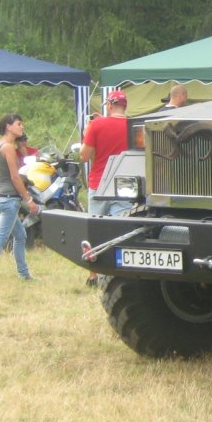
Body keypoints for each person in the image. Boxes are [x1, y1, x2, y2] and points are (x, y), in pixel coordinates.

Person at [0, 114, 38, 286]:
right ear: (9, 127)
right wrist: (28, 199)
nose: (22, 127)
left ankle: (24, 273)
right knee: (0, 238)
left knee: (20, 235)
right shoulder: (8, 148)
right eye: (19, 124)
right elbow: (15, 177)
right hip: (9, 200)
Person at [81, 89, 131, 285]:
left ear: (109, 105)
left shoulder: (96, 125)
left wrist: (87, 132)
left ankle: (93, 274)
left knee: (95, 230)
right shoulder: (133, 125)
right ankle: (119, 272)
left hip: (99, 182)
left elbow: (84, 155)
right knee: (121, 230)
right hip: (125, 185)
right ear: (125, 106)